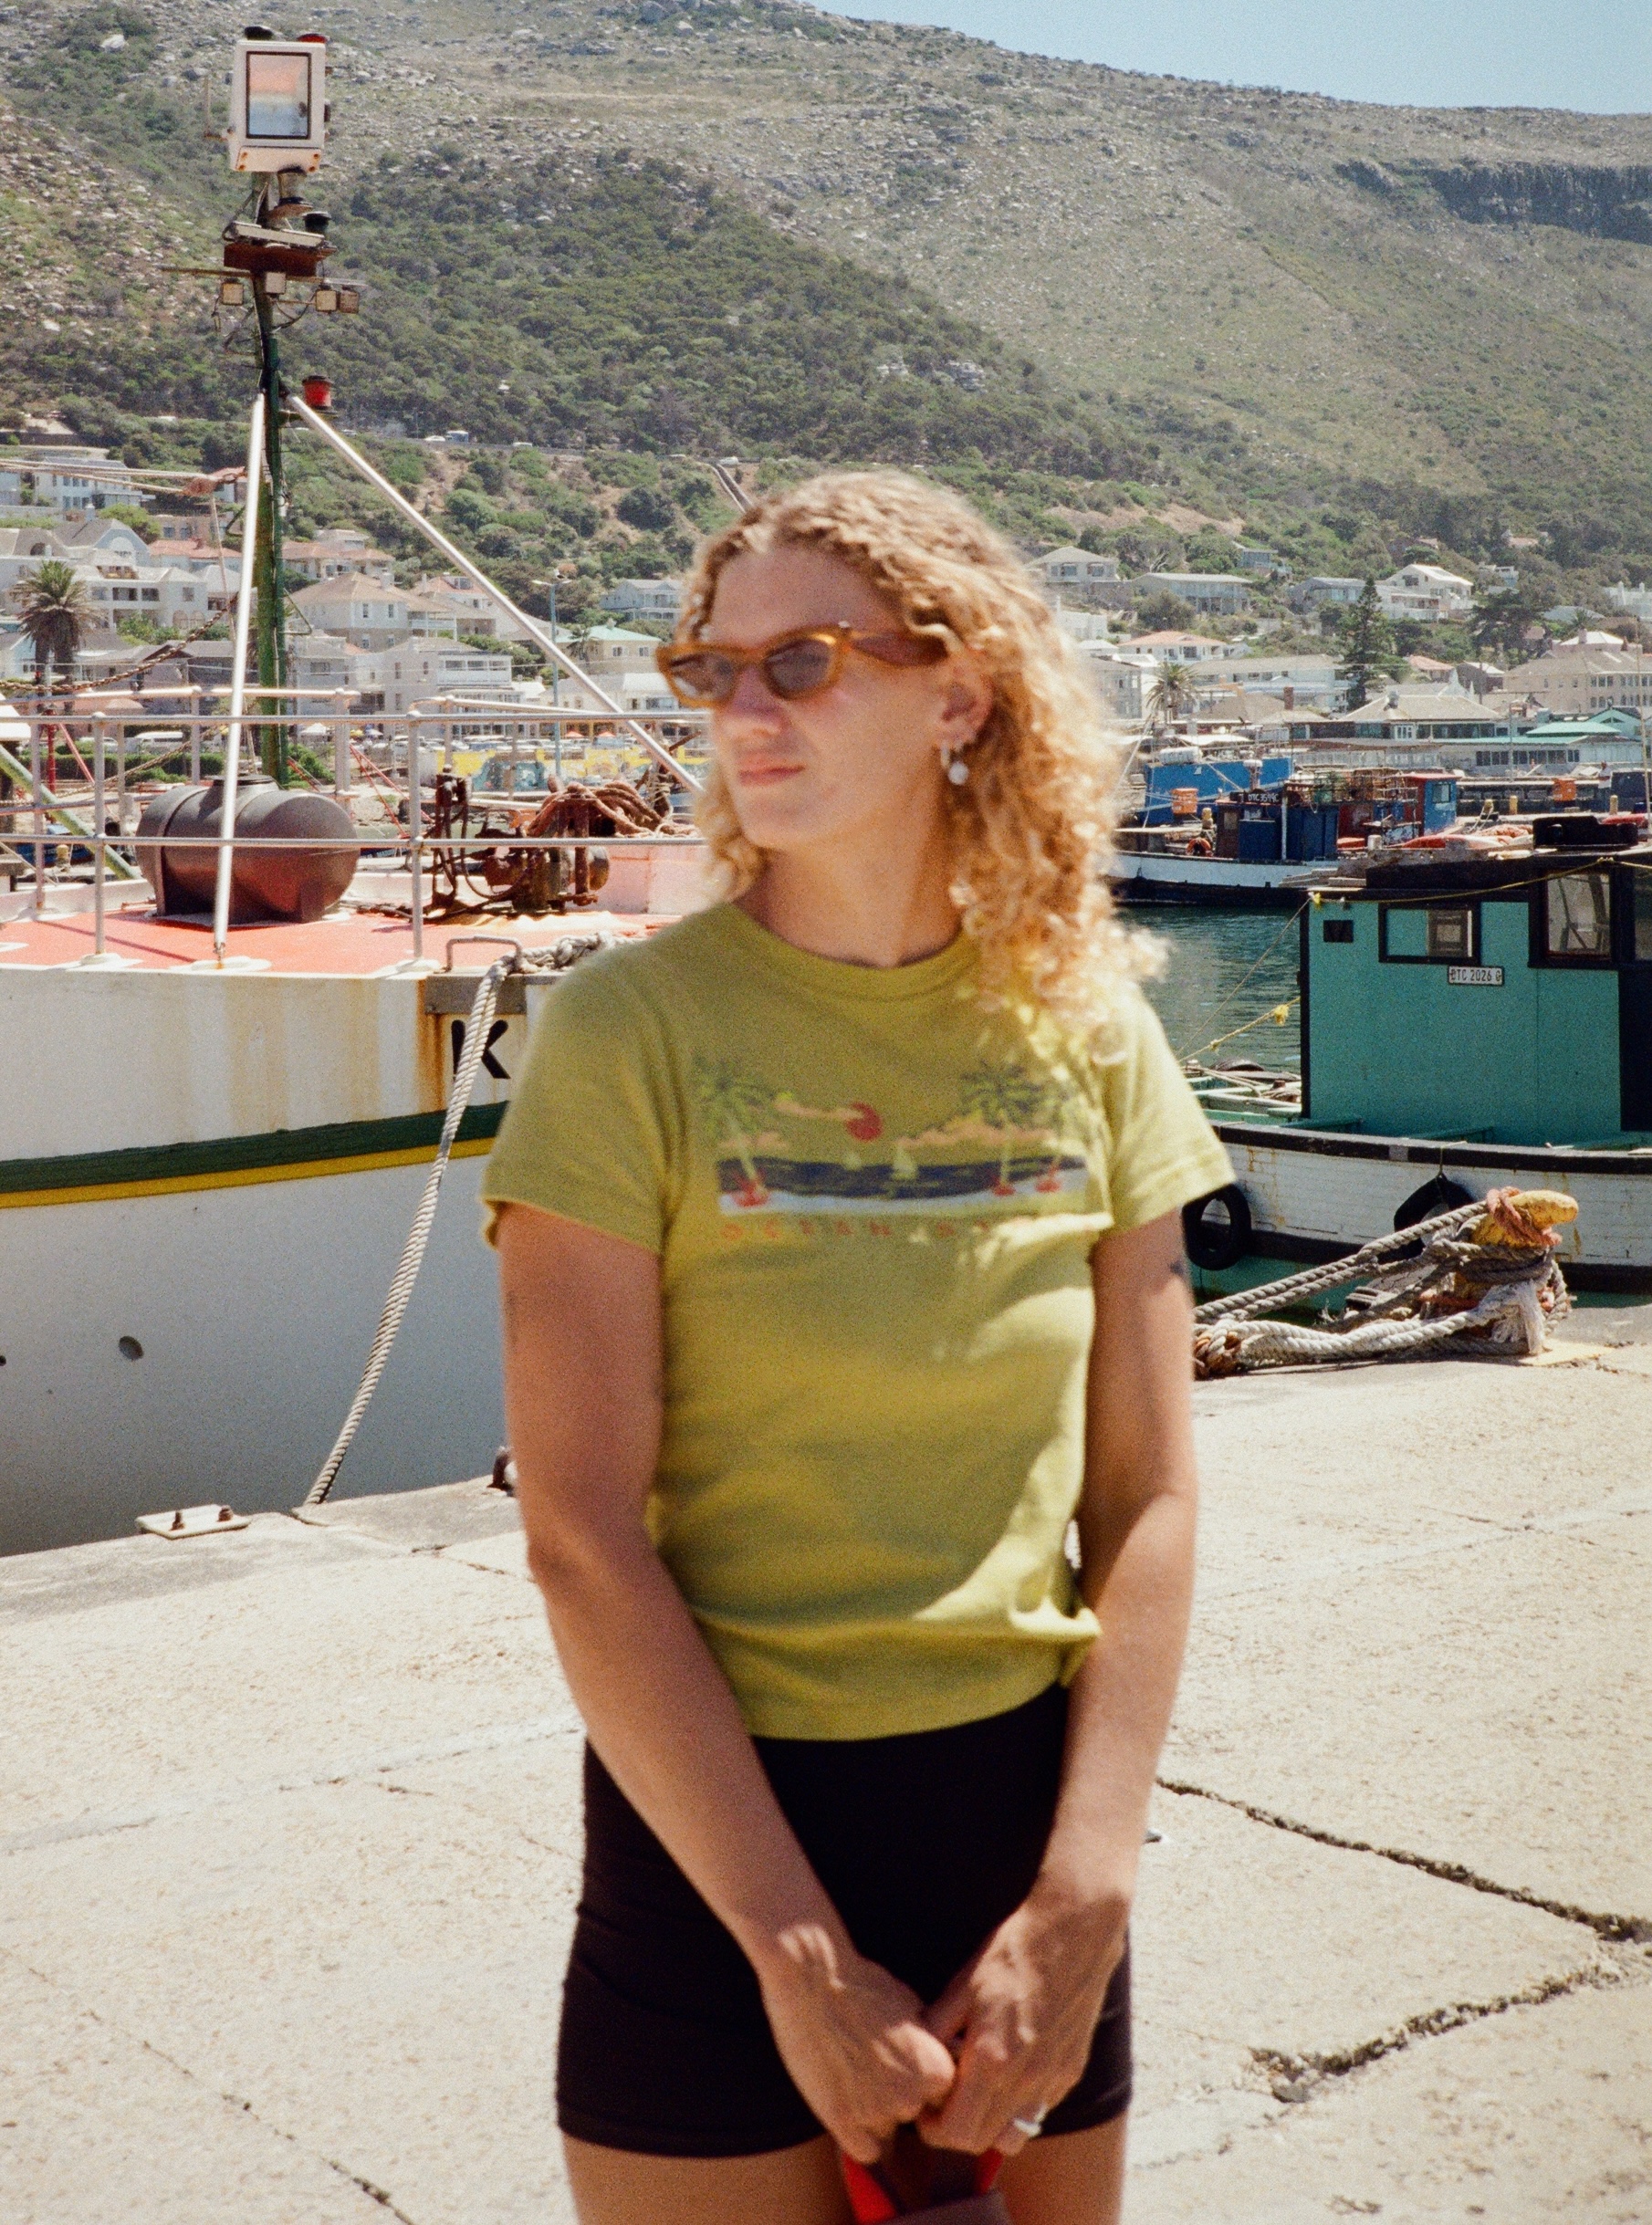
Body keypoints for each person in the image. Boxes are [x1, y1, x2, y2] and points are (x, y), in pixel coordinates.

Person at [484, 470, 1232, 2225]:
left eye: (800, 662)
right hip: (713, 1848)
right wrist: (795, 1951)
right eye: (712, 669)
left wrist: (1086, 1895)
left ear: (957, 693)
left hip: (1019, 1843)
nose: (742, 710)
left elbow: (1150, 1498)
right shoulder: (627, 1034)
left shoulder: (1091, 1034)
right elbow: (578, 1528)